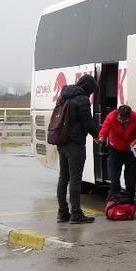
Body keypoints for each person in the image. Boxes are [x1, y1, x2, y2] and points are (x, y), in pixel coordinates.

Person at [55, 74, 99, 224]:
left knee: (63, 177)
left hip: (62, 142)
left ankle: (62, 212)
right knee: (75, 179)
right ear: (88, 88)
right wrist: (97, 135)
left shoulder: (64, 95)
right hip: (75, 144)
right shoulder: (82, 99)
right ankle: (76, 214)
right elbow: (88, 122)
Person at [98, 104, 136, 201]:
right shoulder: (111, 116)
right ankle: (114, 196)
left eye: (125, 120)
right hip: (115, 148)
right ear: (117, 113)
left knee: (131, 176)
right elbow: (105, 129)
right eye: (120, 119)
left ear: (130, 116)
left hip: (131, 149)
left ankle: (130, 197)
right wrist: (102, 138)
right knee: (114, 175)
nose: (122, 121)